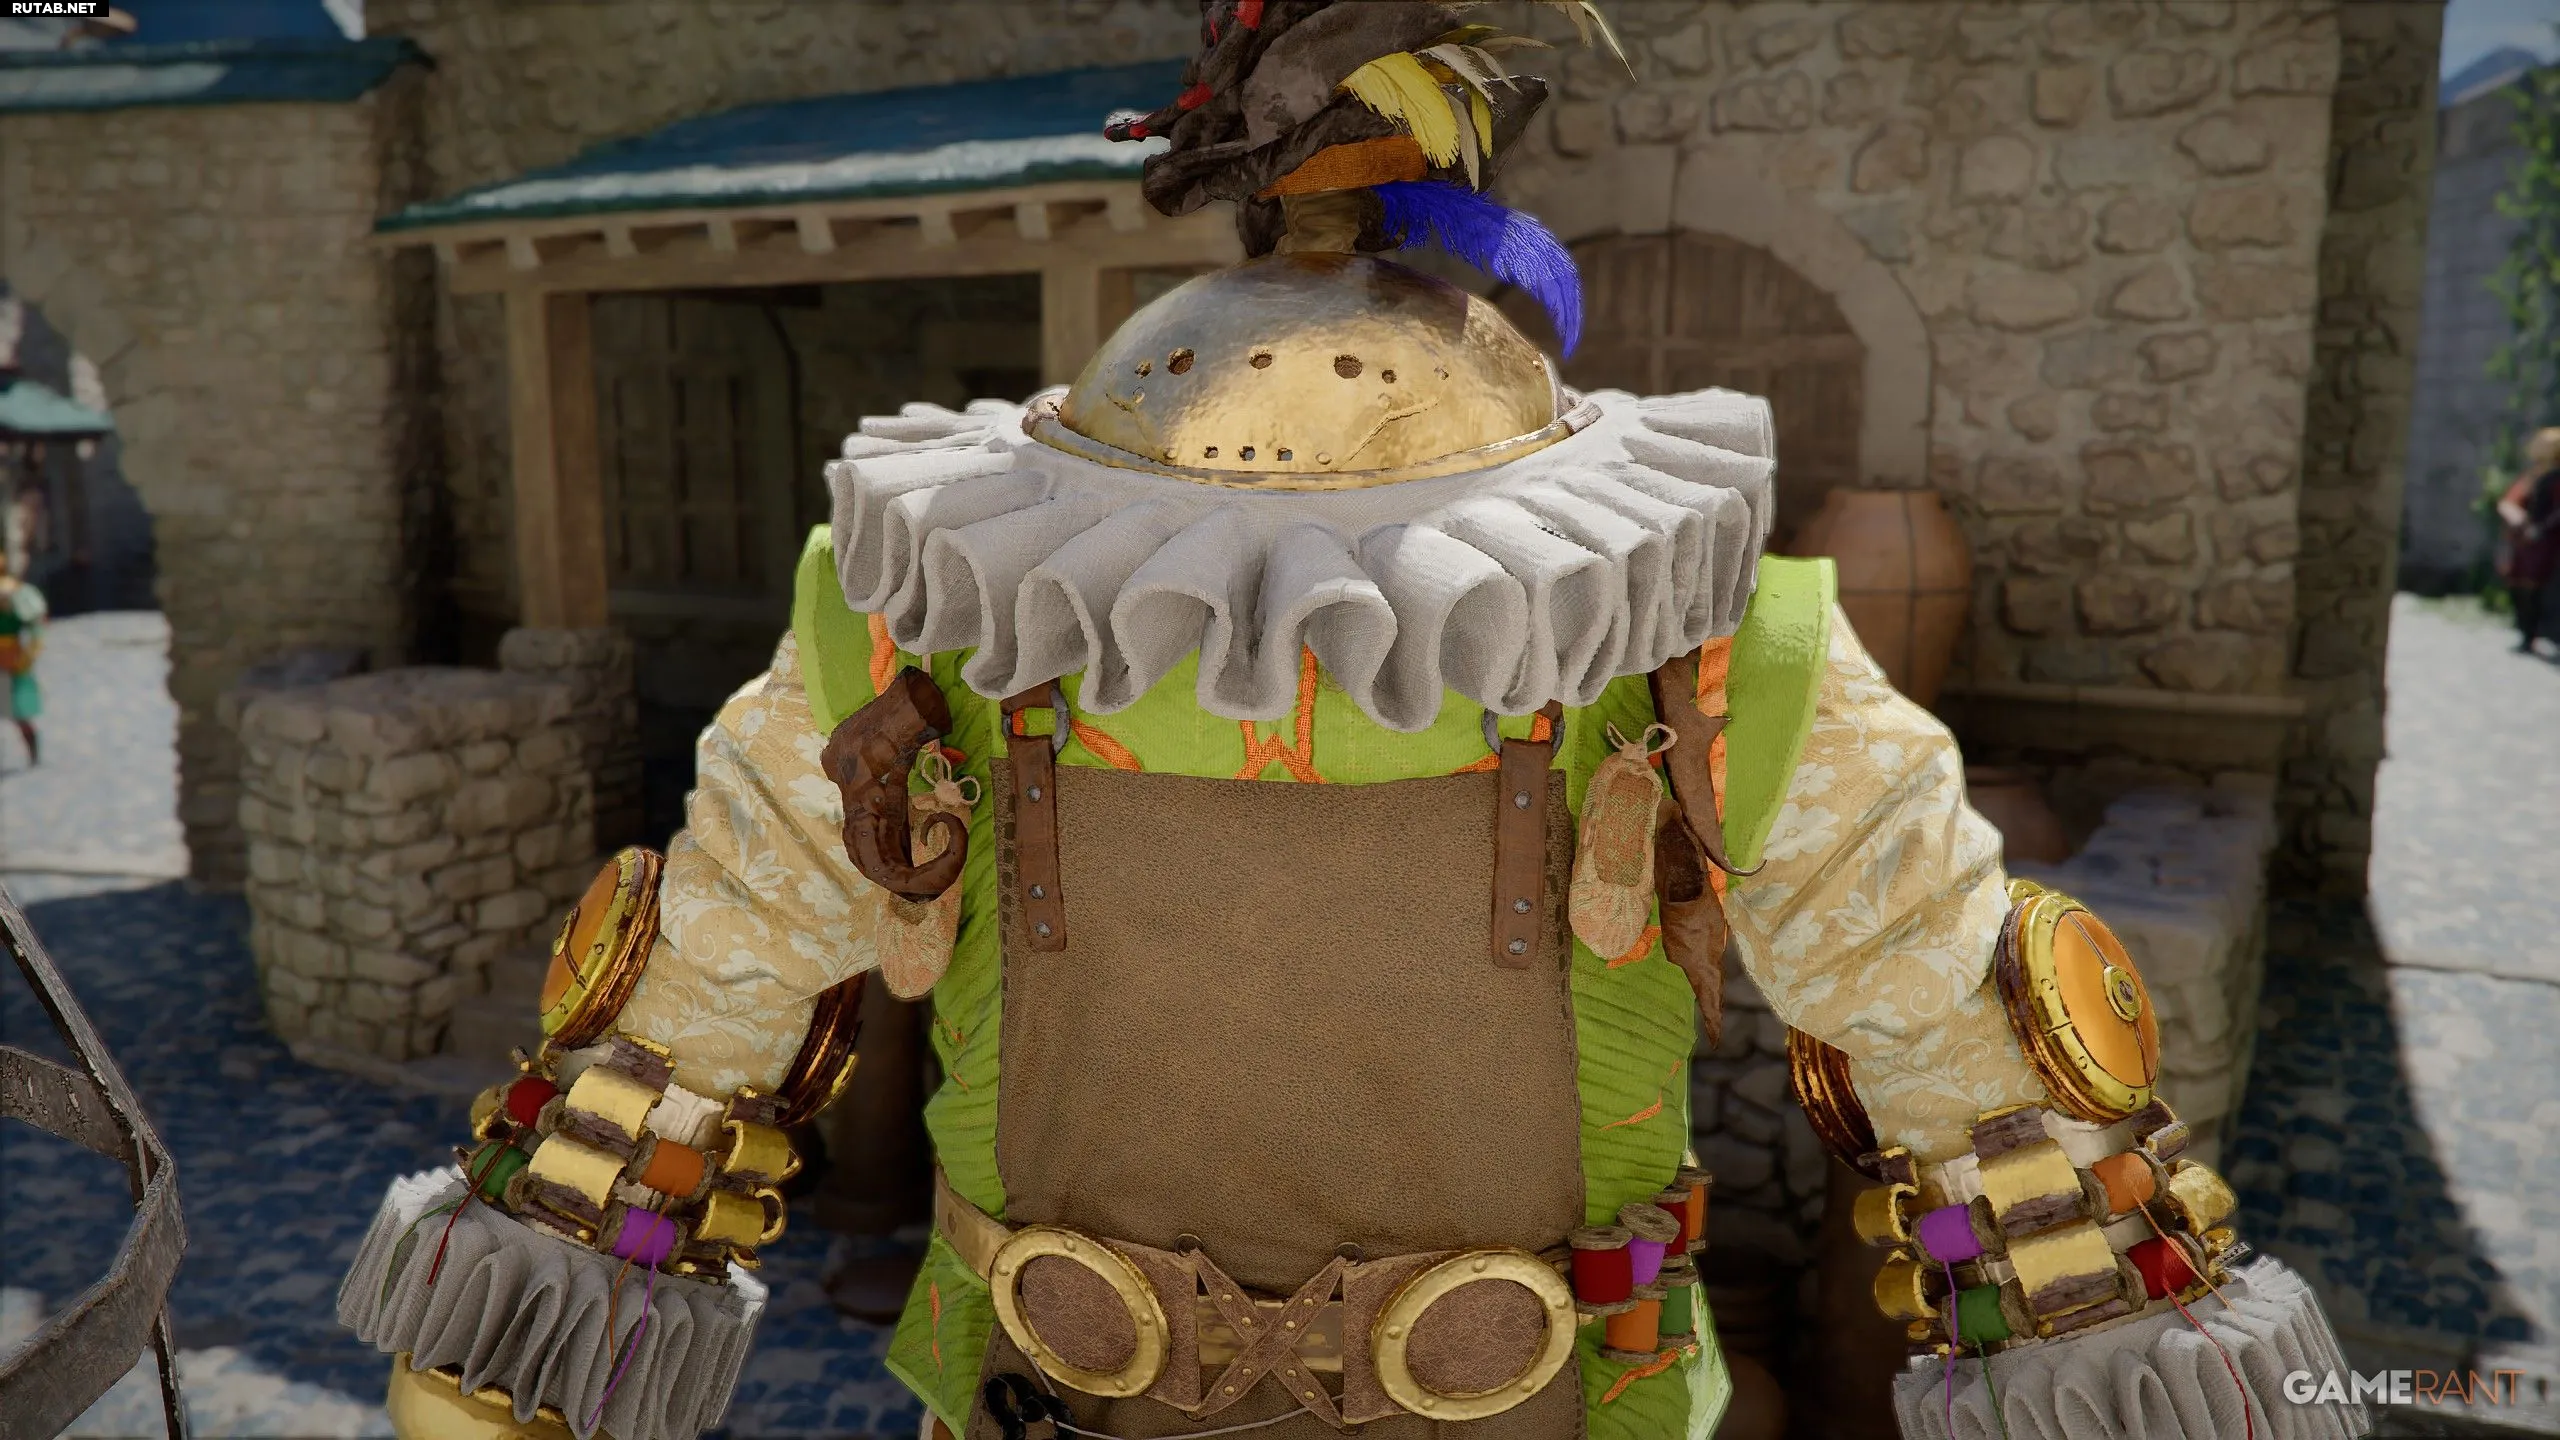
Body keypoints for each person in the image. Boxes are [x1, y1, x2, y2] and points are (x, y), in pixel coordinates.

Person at [339, 7, 2359, 1439]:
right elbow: (659, 1075)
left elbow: (2013, 1141)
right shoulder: (928, 618)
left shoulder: (1700, 649)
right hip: (1048, 1400)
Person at [2497, 427, 2560, 654]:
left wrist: (2541, 529)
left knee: (2539, 589)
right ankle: (2527, 634)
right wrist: (2514, 514)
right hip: (2526, 539)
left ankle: (2539, 634)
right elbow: (2511, 501)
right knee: (2520, 587)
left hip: (2547, 542)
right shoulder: (2532, 476)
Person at [0, 562, 42, 765]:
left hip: (13, 661)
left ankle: (33, 751)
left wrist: (27, 655)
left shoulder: (16, 607)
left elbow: (33, 625)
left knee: (18, 711)